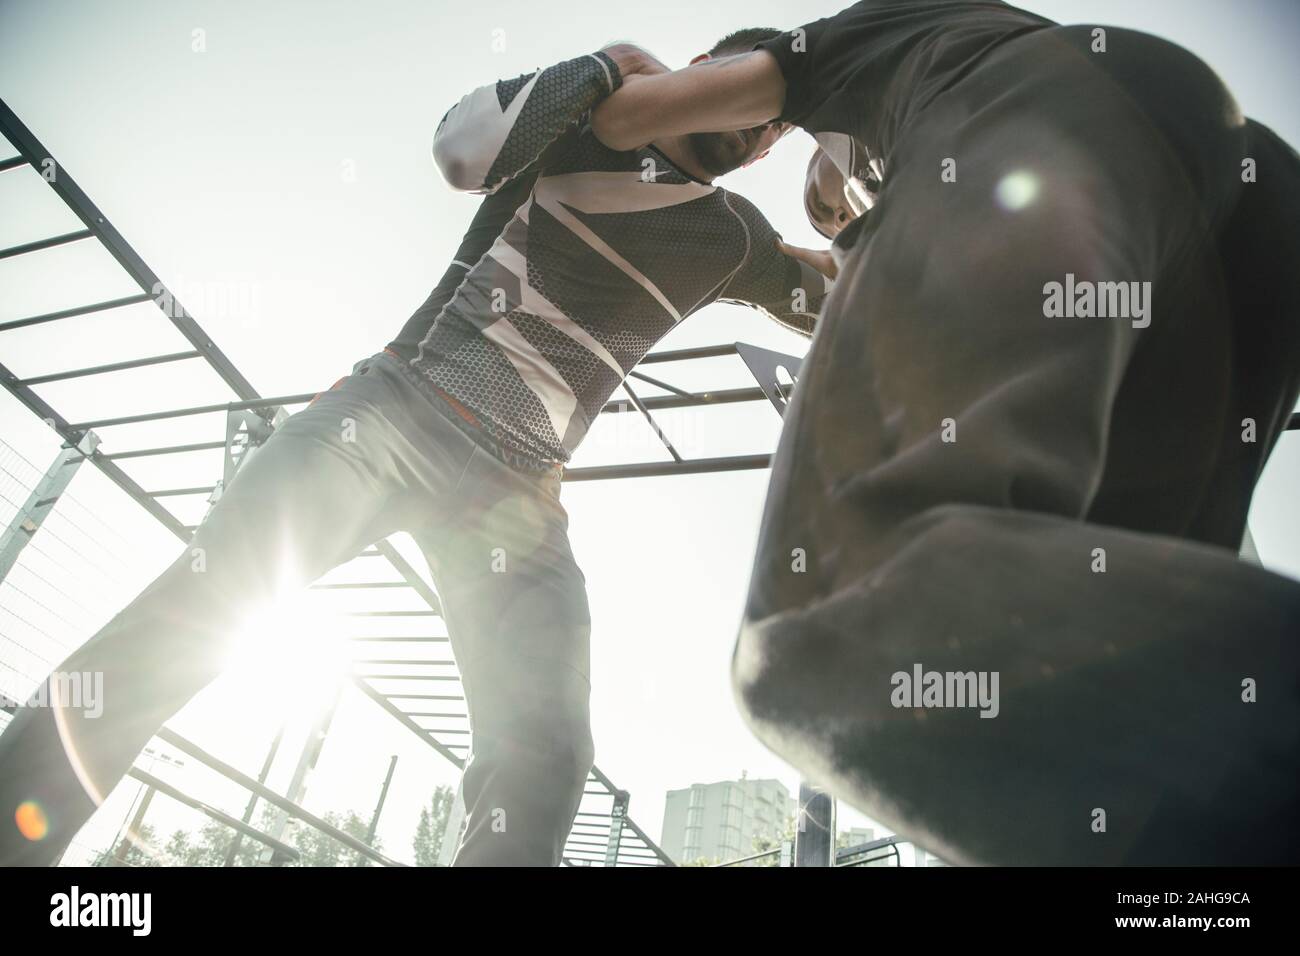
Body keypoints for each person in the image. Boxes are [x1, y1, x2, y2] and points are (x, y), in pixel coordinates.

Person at [0, 30, 830, 867]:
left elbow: (829, 293)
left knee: (545, 754)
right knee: (192, 620)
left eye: (775, 124)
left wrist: (886, 203)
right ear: (701, 72)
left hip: (517, 500)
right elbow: (461, 151)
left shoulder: (735, 240)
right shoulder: (590, 120)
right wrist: (607, 63)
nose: (758, 125)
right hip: (396, 413)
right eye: (746, 86)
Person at [591, 0, 1300, 864]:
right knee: (1099, 656)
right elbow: (906, 292)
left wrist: (615, 81)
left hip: (1051, 127)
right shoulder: (980, 54)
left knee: (825, 628)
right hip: (1244, 205)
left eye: (834, 204)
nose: (839, 214)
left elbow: (630, 115)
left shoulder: (851, 54)